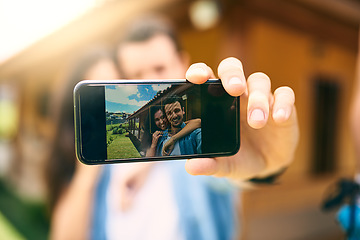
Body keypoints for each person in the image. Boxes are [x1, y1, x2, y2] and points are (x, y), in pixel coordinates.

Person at [45, 47, 121, 240]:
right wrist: (88, 170)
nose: (105, 101)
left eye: (113, 86)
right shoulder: (71, 158)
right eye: (95, 94)